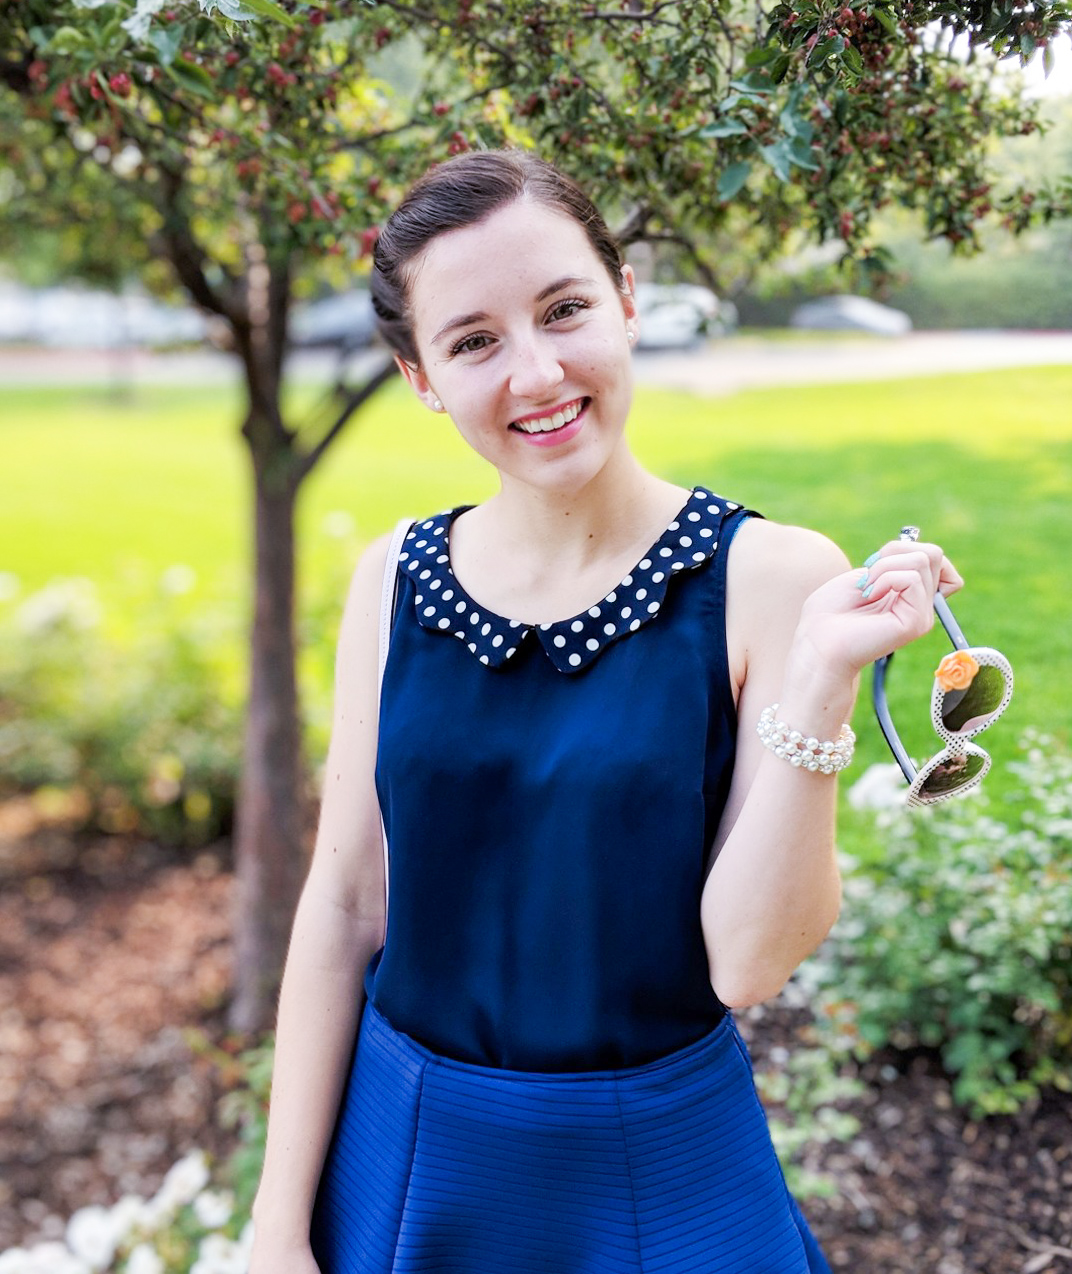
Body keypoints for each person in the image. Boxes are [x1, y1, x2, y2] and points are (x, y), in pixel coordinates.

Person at [248, 149, 961, 1274]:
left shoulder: (772, 577)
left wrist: (823, 675)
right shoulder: (391, 576)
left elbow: (746, 964)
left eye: (564, 308)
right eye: (473, 339)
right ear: (420, 374)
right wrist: (274, 1225)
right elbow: (344, 906)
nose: (535, 373)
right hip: (403, 1161)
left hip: (657, 1174)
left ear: (626, 304)